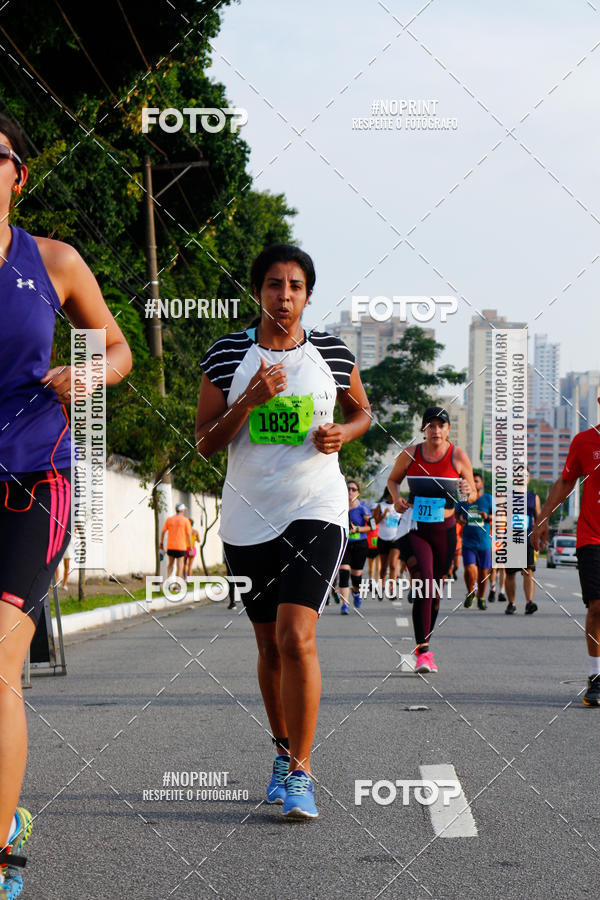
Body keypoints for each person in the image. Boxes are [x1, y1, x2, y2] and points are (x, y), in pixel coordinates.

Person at [0, 115, 132, 898]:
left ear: (18, 173)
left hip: (32, 481)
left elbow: (115, 348)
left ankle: (1, 842)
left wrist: (87, 375)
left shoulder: (53, 260)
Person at [195, 243, 370, 818]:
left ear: (308, 295)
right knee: (269, 645)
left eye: (295, 285)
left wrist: (343, 434)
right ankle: (280, 751)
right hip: (248, 517)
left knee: (298, 637)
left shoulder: (334, 355)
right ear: (258, 292)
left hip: (316, 507)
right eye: (274, 284)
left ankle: (302, 772)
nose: (285, 295)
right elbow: (205, 441)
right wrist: (247, 399)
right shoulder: (226, 355)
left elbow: (362, 413)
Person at [388, 406, 476, 674]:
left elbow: (470, 495)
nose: (436, 430)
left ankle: (423, 643)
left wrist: (467, 491)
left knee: (433, 592)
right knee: (425, 584)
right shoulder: (410, 454)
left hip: (445, 530)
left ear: (448, 429)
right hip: (415, 528)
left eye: (441, 425)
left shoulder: (458, 456)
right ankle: (424, 652)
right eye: (431, 425)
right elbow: (393, 481)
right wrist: (396, 499)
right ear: (423, 429)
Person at [532, 408, 600, 706]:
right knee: (597, 606)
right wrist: (543, 518)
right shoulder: (584, 441)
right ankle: (596, 676)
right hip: (592, 537)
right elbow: (565, 482)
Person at [505, 470, 541, 615]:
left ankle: (529, 602)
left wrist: (539, 536)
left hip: (528, 539)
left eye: (524, 475)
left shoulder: (534, 497)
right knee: (510, 574)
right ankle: (511, 603)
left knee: (528, 571)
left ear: (528, 479)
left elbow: (539, 518)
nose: (521, 478)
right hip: (512, 540)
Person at [458, 472, 493, 611]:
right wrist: (459, 520)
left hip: (484, 542)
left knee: (483, 573)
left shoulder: (488, 499)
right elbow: (456, 515)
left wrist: (487, 516)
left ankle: (481, 597)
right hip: (468, 541)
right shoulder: (463, 499)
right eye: (472, 481)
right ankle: (471, 592)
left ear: (482, 484)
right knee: (469, 569)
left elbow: (499, 516)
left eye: (477, 481)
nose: (474, 483)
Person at [338, 482, 371, 613]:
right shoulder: (340, 507)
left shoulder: (363, 508)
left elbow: (371, 526)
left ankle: (356, 593)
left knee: (356, 575)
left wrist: (357, 528)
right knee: (344, 572)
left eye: (353, 489)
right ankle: (344, 605)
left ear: (358, 492)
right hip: (345, 544)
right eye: (348, 489)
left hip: (360, 544)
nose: (350, 491)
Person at [373, 488, 401, 598]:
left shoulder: (400, 505)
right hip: (383, 539)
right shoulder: (381, 506)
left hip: (395, 539)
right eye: (390, 495)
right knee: (384, 567)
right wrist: (383, 515)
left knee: (393, 565)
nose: (392, 497)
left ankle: (392, 589)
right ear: (387, 495)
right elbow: (373, 522)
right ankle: (382, 585)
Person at [160, 503, 193, 584]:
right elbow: (189, 535)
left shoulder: (169, 519)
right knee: (180, 566)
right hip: (181, 547)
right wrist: (191, 547)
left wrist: (161, 543)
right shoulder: (186, 520)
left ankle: (168, 583)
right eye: (184, 509)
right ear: (181, 510)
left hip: (170, 546)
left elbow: (163, 532)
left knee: (170, 565)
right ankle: (177, 585)